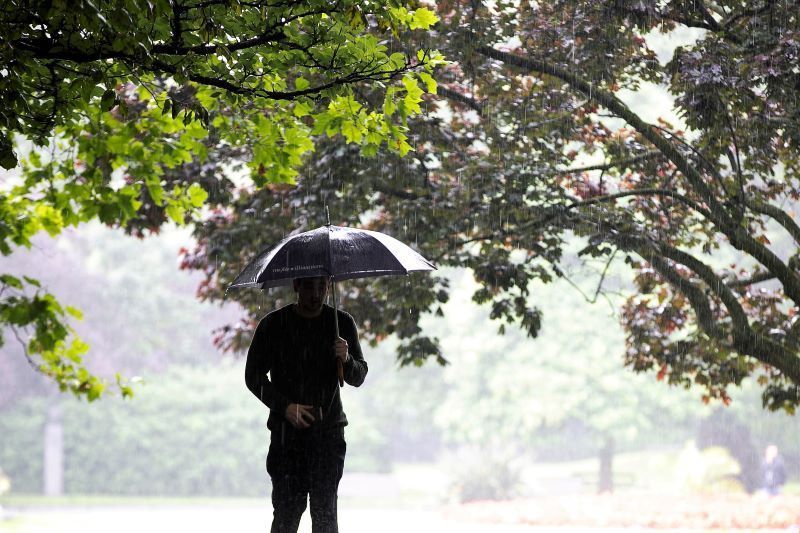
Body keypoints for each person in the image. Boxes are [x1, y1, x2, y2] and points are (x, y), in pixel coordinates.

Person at [245, 276, 368, 533]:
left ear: (329, 286)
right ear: (296, 286)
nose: (316, 294)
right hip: (286, 436)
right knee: (286, 517)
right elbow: (253, 376)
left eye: (322, 286)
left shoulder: (341, 323)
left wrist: (346, 359)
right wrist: (285, 406)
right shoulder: (274, 324)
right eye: (310, 286)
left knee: (325, 517)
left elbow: (358, 376)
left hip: (328, 434)